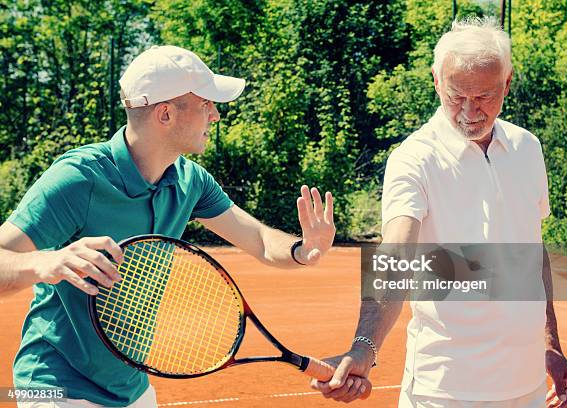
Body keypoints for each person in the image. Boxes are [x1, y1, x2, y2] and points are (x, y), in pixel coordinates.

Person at [0, 45, 338, 407]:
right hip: (56, 387)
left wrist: (302, 250)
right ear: (165, 114)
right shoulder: (79, 178)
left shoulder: (190, 180)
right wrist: (44, 263)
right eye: (206, 103)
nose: (216, 115)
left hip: (133, 387)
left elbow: (257, 238)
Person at [310, 18, 567, 407]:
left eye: (484, 96)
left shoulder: (527, 147)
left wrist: (550, 344)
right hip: (445, 392)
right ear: (436, 80)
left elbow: (532, 252)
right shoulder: (413, 159)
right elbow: (396, 255)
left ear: (507, 83)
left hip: (527, 389)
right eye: (456, 96)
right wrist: (364, 347)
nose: (469, 111)